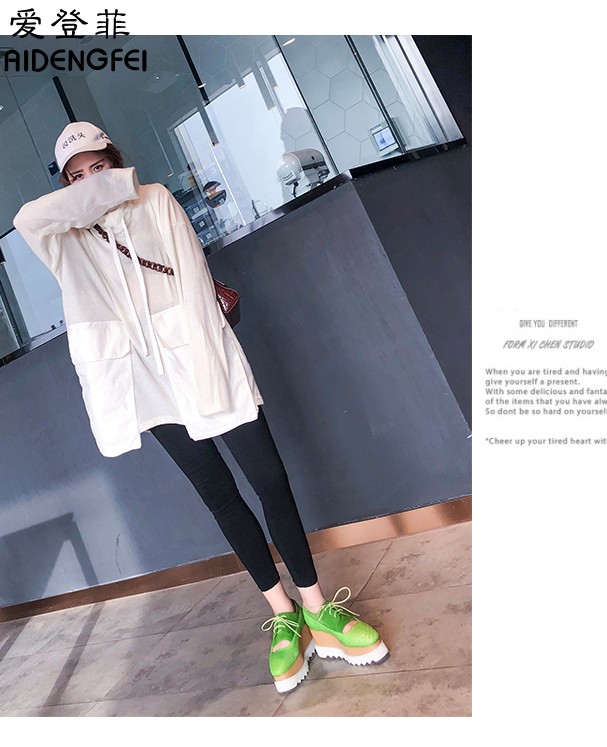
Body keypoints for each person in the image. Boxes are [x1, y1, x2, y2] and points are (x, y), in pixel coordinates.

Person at [13, 121, 388, 693]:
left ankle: (317, 609)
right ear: (65, 186)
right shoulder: (62, 235)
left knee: (268, 478)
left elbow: (192, 278)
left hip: (201, 355)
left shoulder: (155, 201)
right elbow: (26, 219)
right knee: (218, 493)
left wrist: (117, 188)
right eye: (77, 176)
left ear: (116, 159)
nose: (91, 182)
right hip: (145, 378)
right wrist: (96, 193)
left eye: (99, 167)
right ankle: (283, 614)